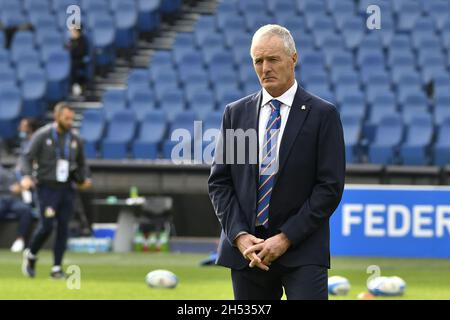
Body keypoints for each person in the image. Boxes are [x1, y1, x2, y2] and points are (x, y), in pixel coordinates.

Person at [208, 25, 345, 300]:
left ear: (293, 59)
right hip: (249, 253)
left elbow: (328, 187)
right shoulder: (236, 115)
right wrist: (239, 236)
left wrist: (285, 238)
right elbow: (221, 183)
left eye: (273, 59)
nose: (264, 68)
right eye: (258, 61)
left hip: (302, 249)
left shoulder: (322, 115)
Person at [20, 102, 92, 279]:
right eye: (66, 118)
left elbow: (83, 164)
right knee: (46, 226)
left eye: (71, 119)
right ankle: (31, 254)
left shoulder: (74, 139)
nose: (69, 122)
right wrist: (27, 176)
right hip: (46, 187)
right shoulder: (42, 135)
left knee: (63, 228)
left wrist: (85, 179)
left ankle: (56, 268)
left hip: (67, 188)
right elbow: (26, 157)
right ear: (57, 116)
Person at [0, 164, 34, 253]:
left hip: (15, 199)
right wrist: (9, 188)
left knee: (26, 210)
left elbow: (28, 184)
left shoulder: (20, 172)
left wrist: (21, 187)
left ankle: (20, 240)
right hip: (1, 197)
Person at [66, 27, 88, 96]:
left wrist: (71, 51)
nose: (71, 33)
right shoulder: (71, 40)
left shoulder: (82, 40)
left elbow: (80, 52)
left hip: (79, 61)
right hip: (71, 60)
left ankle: (75, 85)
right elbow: (66, 49)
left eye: (73, 31)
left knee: (73, 66)